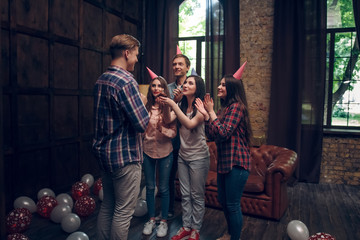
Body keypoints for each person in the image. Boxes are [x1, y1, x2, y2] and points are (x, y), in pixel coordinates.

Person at [92, 34, 150, 240]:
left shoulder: (101, 80)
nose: (136, 59)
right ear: (127, 53)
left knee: (107, 206)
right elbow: (142, 124)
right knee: (124, 212)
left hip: (105, 156)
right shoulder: (126, 81)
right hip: (125, 157)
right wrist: (142, 102)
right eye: (135, 55)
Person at [194, 62, 252, 240]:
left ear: (232, 89)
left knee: (233, 205)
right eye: (220, 84)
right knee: (224, 202)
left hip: (237, 163)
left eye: (223, 85)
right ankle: (230, 233)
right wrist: (206, 116)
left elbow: (224, 133)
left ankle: (235, 237)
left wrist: (210, 113)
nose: (219, 87)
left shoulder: (237, 108)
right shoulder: (223, 109)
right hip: (225, 164)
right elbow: (212, 134)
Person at [160, 75, 210, 240]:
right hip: (183, 156)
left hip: (199, 157)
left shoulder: (201, 107)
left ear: (198, 88)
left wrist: (173, 104)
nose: (185, 85)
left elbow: (189, 124)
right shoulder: (181, 105)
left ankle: (196, 229)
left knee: (196, 194)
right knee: (185, 194)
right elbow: (168, 120)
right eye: (185, 82)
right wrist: (167, 105)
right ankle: (186, 226)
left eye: (190, 83)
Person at [142, 67, 177, 237]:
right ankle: (151, 219)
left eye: (160, 86)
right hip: (147, 151)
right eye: (154, 86)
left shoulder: (170, 107)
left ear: (165, 89)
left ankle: (163, 221)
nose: (156, 88)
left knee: (163, 188)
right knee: (150, 187)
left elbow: (173, 132)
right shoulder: (146, 106)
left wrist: (162, 128)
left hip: (165, 152)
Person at [166, 51, 191, 219]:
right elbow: (164, 114)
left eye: (180, 64)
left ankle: (190, 217)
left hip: (189, 142)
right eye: (175, 64)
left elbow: (195, 114)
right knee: (169, 178)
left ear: (187, 68)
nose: (176, 67)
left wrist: (182, 99)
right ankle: (169, 210)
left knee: (188, 182)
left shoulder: (194, 86)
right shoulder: (167, 88)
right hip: (172, 142)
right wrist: (174, 101)